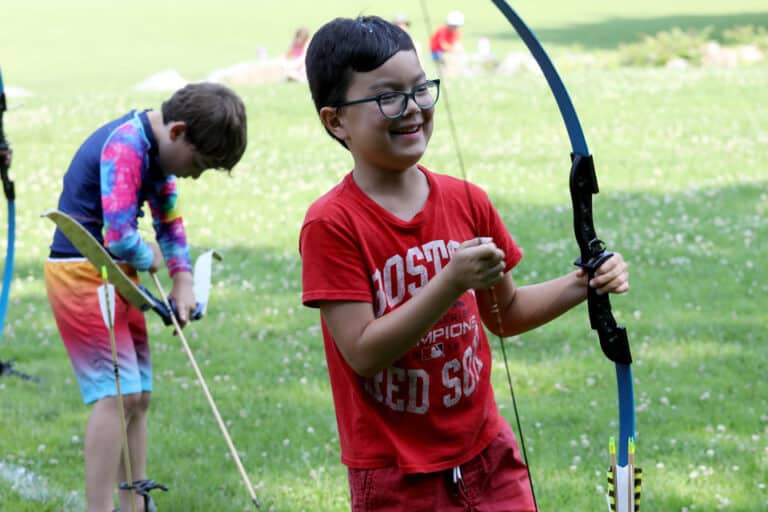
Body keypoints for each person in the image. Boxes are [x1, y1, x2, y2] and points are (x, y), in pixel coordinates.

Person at [300, 15, 630, 511]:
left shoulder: (467, 200)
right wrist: (450, 282)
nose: (413, 108)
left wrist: (586, 282)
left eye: (420, 89)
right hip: (397, 475)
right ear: (336, 120)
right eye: (388, 97)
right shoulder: (332, 223)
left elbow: (505, 313)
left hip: (488, 456)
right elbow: (363, 352)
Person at [44, 82, 247, 512]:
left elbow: (168, 223)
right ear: (178, 132)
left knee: (138, 396)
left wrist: (183, 280)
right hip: (81, 272)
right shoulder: (127, 147)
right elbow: (119, 236)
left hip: (118, 276)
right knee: (116, 395)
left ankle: (135, 504)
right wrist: (149, 256)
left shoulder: (159, 151)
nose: (195, 175)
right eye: (198, 163)